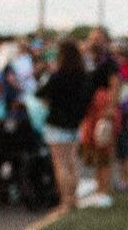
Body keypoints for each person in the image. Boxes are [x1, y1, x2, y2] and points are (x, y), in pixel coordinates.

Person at [38, 38, 93, 211]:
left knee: (60, 163)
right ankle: (74, 198)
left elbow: (40, 94)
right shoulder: (83, 77)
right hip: (74, 124)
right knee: (72, 161)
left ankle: (65, 201)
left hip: (56, 124)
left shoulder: (57, 77)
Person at [81, 28, 121, 206]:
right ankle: (98, 189)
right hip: (90, 110)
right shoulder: (89, 61)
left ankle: (104, 190)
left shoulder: (110, 63)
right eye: (92, 39)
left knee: (104, 150)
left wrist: (110, 108)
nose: (94, 42)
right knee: (93, 152)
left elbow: (115, 85)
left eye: (98, 39)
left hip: (103, 108)